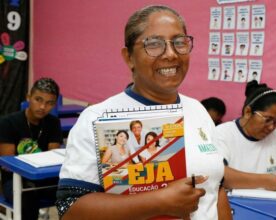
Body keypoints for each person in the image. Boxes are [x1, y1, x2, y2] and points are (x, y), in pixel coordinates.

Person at [56, 5, 231, 220]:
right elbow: (70, 209)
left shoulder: (198, 110)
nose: (170, 54)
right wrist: (159, 202)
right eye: (154, 44)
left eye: (179, 42)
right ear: (129, 57)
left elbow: (217, 188)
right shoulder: (97, 118)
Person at [213, 81, 276, 196]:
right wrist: (264, 181)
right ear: (248, 112)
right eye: (267, 119)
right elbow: (219, 174)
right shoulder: (223, 133)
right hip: (234, 206)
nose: (271, 127)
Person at [0, 77, 62, 220]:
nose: (42, 107)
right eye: (38, 100)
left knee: (72, 191)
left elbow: (53, 157)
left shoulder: (53, 123)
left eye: (49, 103)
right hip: (15, 181)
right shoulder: (8, 122)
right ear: (29, 97)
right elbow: (7, 165)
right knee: (28, 198)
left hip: (44, 179)